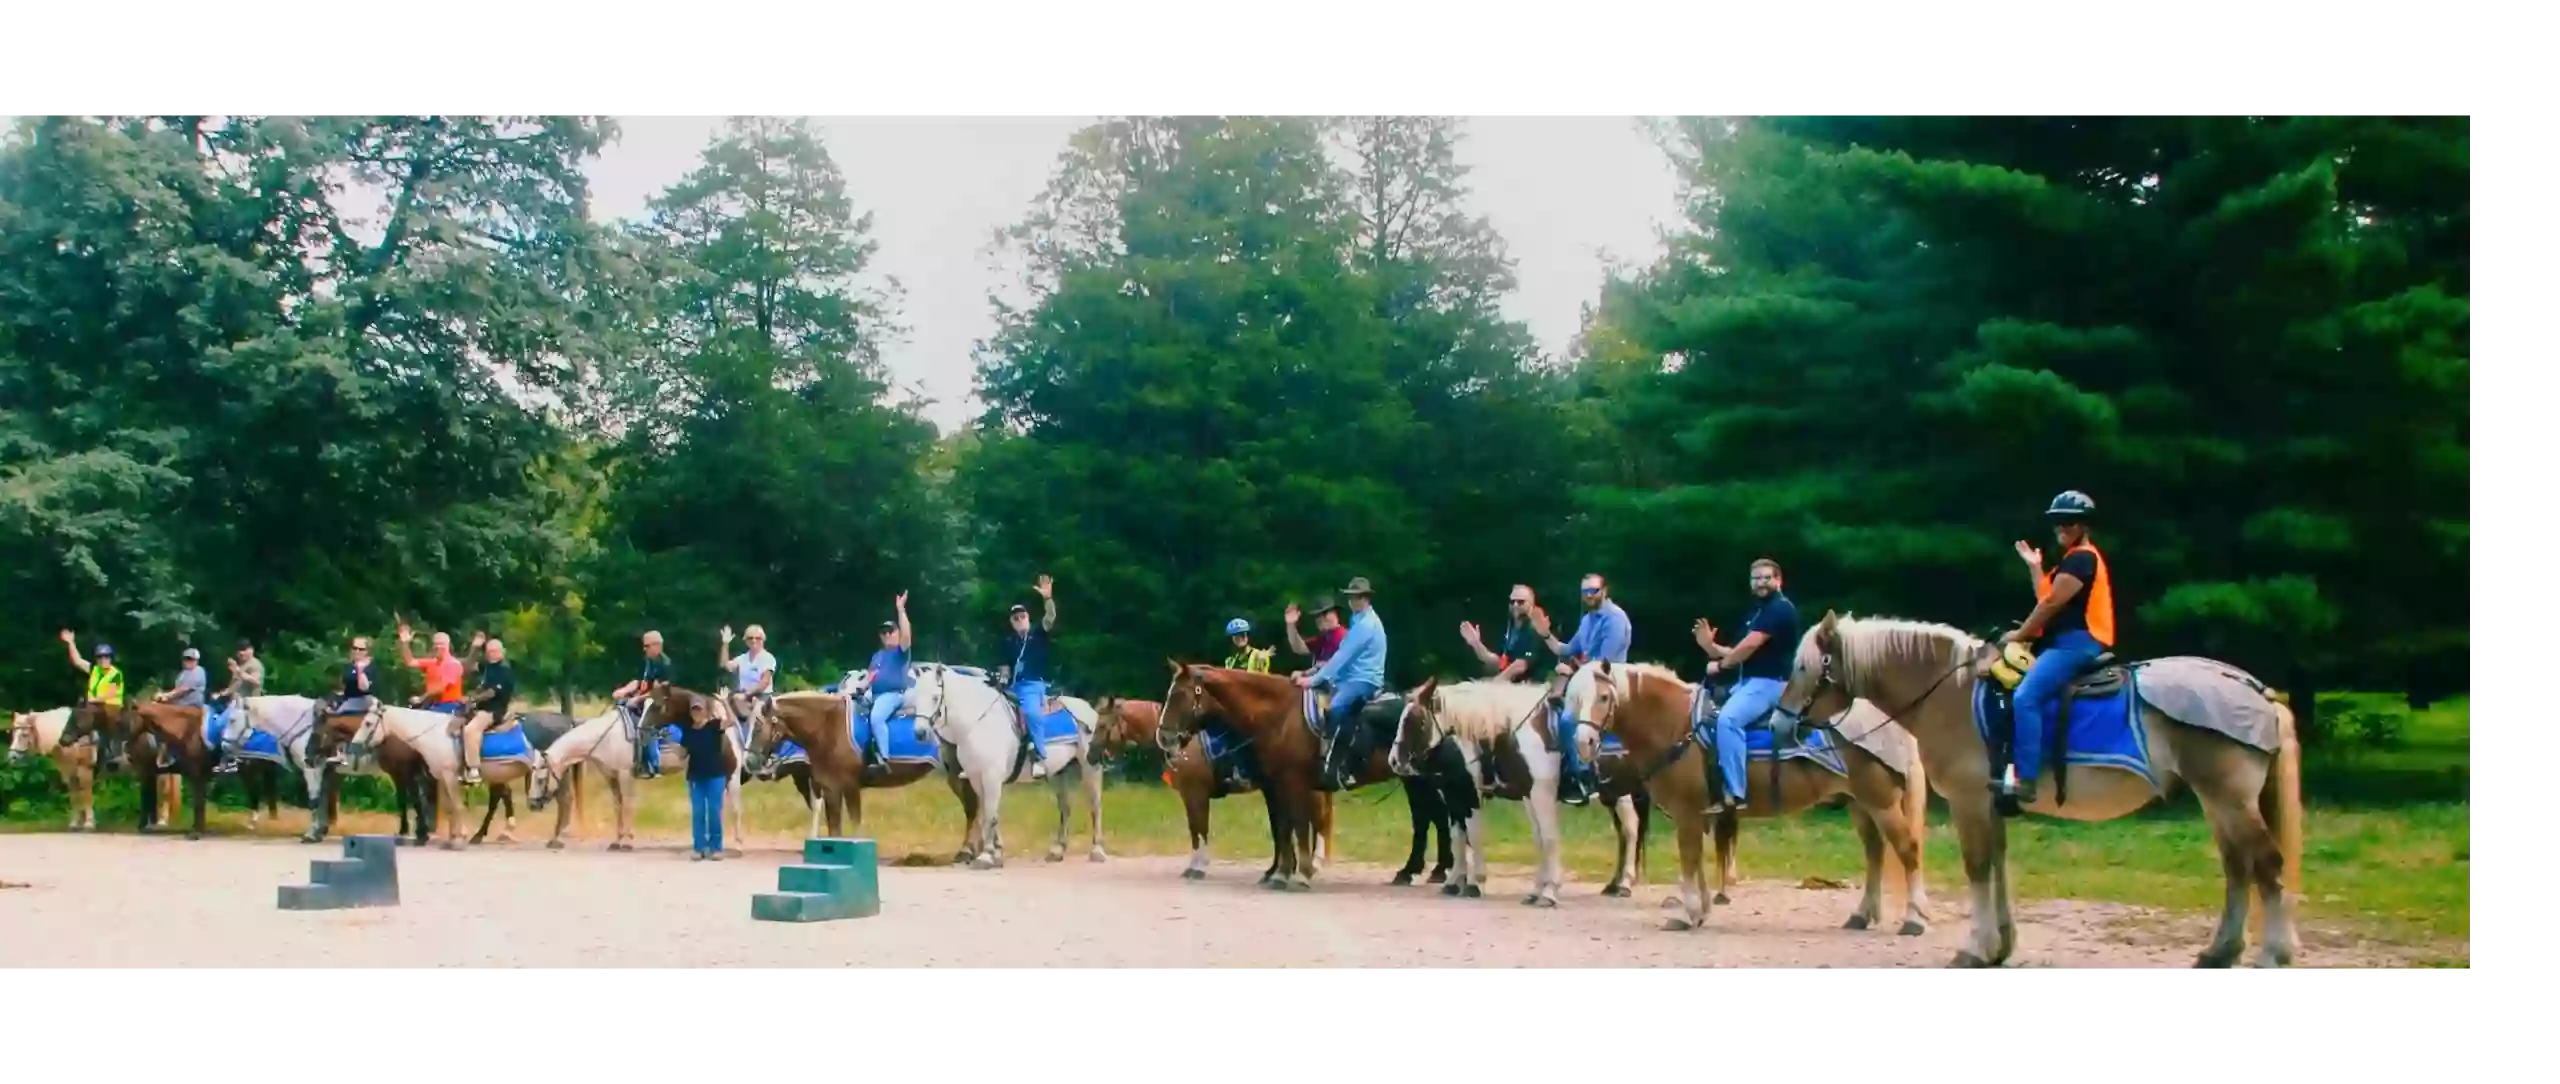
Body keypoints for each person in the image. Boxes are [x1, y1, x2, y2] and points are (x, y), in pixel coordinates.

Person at [1999, 489, 2116, 808]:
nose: (2062, 528)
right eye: (2057, 522)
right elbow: (2046, 596)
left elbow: (2051, 604)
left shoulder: (2082, 559)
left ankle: (2026, 779)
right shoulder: (2070, 561)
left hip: (2077, 643)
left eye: (2069, 522)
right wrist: (2035, 567)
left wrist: (2019, 635)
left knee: (2026, 697)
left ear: (2083, 526)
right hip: (2066, 642)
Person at [1692, 558, 1801, 814]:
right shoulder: (1757, 612)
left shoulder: (1780, 609)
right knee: (1700, 712)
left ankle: (1735, 793)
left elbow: (1750, 645)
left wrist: (1720, 666)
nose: (1761, 583)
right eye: (1756, 578)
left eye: (1766, 578)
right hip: (1749, 682)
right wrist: (1710, 647)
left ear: (1778, 580)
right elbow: (1739, 651)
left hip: (1772, 684)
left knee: (1728, 720)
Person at [1534, 573, 1632, 806]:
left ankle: (1584, 776)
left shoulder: (1615, 619)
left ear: (1604, 591)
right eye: (1585, 592)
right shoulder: (1588, 620)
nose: (1588, 596)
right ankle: (1567, 773)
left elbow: (1602, 663)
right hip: (1588, 681)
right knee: (1552, 710)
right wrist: (1545, 634)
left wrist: (1571, 673)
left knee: (1569, 719)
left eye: (1593, 591)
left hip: (1608, 682)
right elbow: (1566, 649)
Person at [1295, 577, 1387, 792]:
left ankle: (1339, 768)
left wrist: (1311, 681)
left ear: (1366, 598)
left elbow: (1341, 658)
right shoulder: (1358, 620)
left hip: (1363, 680)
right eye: (1349, 597)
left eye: (1355, 597)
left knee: (1336, 709)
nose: (1351, 602)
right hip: (1351, 678)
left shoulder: (1365, 625)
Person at [993, 575, 1058, 781]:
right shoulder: (1008, 642)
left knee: (1031, 712)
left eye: (1022, 616)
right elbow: (1004, 668)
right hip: (1013, 686)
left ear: (1028, 618)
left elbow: (1050, 618)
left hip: (1033, 684)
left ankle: (1039, 757)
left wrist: (1048, 599)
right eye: (1015, 618)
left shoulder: (1039, 633)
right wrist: (1000, 683)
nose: (1019, 619)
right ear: (1011, 622)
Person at [671, 692, 731, 861]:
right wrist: (673, 746)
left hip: (715, 775)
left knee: (714, 812)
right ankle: (699, 847)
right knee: (698, 813)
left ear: (705, 711)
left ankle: (716, 847)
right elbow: (682, 755)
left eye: (699, 710)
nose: (697, 713)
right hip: (695, 776)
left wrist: (725, 703)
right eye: (694, 710)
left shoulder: (714, 726)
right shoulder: (688, 732)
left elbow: (731, 721)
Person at [59, 630, 130, 768]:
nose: (103, 659)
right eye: (100, 657)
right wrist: (70, 642)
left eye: (106, 657)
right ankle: (68, 737)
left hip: (111, 705)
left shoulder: (116, 674)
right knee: (77, 711)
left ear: (111, 658)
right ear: (96, 659)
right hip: (94, 705)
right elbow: (77, 661)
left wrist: (93, 699)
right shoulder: (94, 669)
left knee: (109, 719)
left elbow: (110, 693)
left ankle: (114, 752)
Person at [609, 630, 674, 779]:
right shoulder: (647, 661)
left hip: (660, 701)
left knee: (646, 722)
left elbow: (659, 691)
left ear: (657, 645)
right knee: (621, 705)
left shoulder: (665, 664)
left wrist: (638, 699)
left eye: (647, 646)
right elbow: (639, 681)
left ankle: (652, 766)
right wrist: (624, 690)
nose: (644, 649)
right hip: (646, 697)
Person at [458, 637, 517, 787]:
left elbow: (491, 693)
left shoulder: (504, 671)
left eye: (495, 651)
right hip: (480, 708)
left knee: (470, 730)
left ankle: (474, 769)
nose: (491, 654)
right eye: (489, 651)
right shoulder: (488, 668)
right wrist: (476, 647)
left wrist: (472, 699)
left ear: (502, 652)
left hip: (493, 711)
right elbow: (470, 671)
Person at [863, 593, 914, 765]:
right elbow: (870, 676)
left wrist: (901, 610)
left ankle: (883, 758)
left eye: (890, 631)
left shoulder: (901, 652)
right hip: (874, 694)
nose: (886, 635)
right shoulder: (877, 655)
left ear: (897, 633)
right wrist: (859, 687)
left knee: (877, 717)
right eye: (883, 632)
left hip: (893, 695)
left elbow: (907, 635)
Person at [1461, 584, 1549, 683]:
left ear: (1531, 604)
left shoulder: (1537, 627)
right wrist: (1476, 644)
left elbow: (1523, 663)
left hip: (1531, 685)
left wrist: (1497, 680)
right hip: (1510, 682)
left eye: (1520, 602)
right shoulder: (1509, 627)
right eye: (1512, 602)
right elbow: (1497, 661)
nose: (1515, 605)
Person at [718, 623, 777, 748]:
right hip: (743, 696)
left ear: (763, 640)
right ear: (746, 641)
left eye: (758, 638)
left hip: (763, 697)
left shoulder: (768, 658)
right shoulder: (743, 658)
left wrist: (746, 695)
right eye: (750, 638)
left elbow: (764, 683)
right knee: (720, 707)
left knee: (755, 713)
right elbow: (725, 665)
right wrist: (725, 643)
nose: (754, 640)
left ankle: (749, 746)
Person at [212, 639, 266, 774]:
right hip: (235, 703)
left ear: (251, 650)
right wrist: (221, 694)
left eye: (244, 651)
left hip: (248, 705)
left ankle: (233, 760)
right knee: (218, 722)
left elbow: (256, 681)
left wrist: (238, 671)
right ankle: (221, 758)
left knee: (231, 729)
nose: (241, 654)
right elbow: (236, 686)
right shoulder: (241, 666)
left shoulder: (255, 665)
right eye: (239, 652)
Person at [394, 621, 470, 716]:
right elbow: (410, 662)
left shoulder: (453, 664)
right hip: (433, 705)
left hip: (450, 706)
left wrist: (421, 698)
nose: (437, 647)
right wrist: (404, 643)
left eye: (441, 644)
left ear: (447, 645)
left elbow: (441, 688)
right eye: (435, 644)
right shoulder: (432, 662)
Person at [1283, 600, 1347, 676]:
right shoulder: (1323, 638)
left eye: (1325, 613)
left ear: (1335, 613)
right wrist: (1291, 625)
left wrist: (1304, 674)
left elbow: (1332, 666)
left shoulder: (1342, 636)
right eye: (1317, 616)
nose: (1320, 619)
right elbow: (1298, 648)